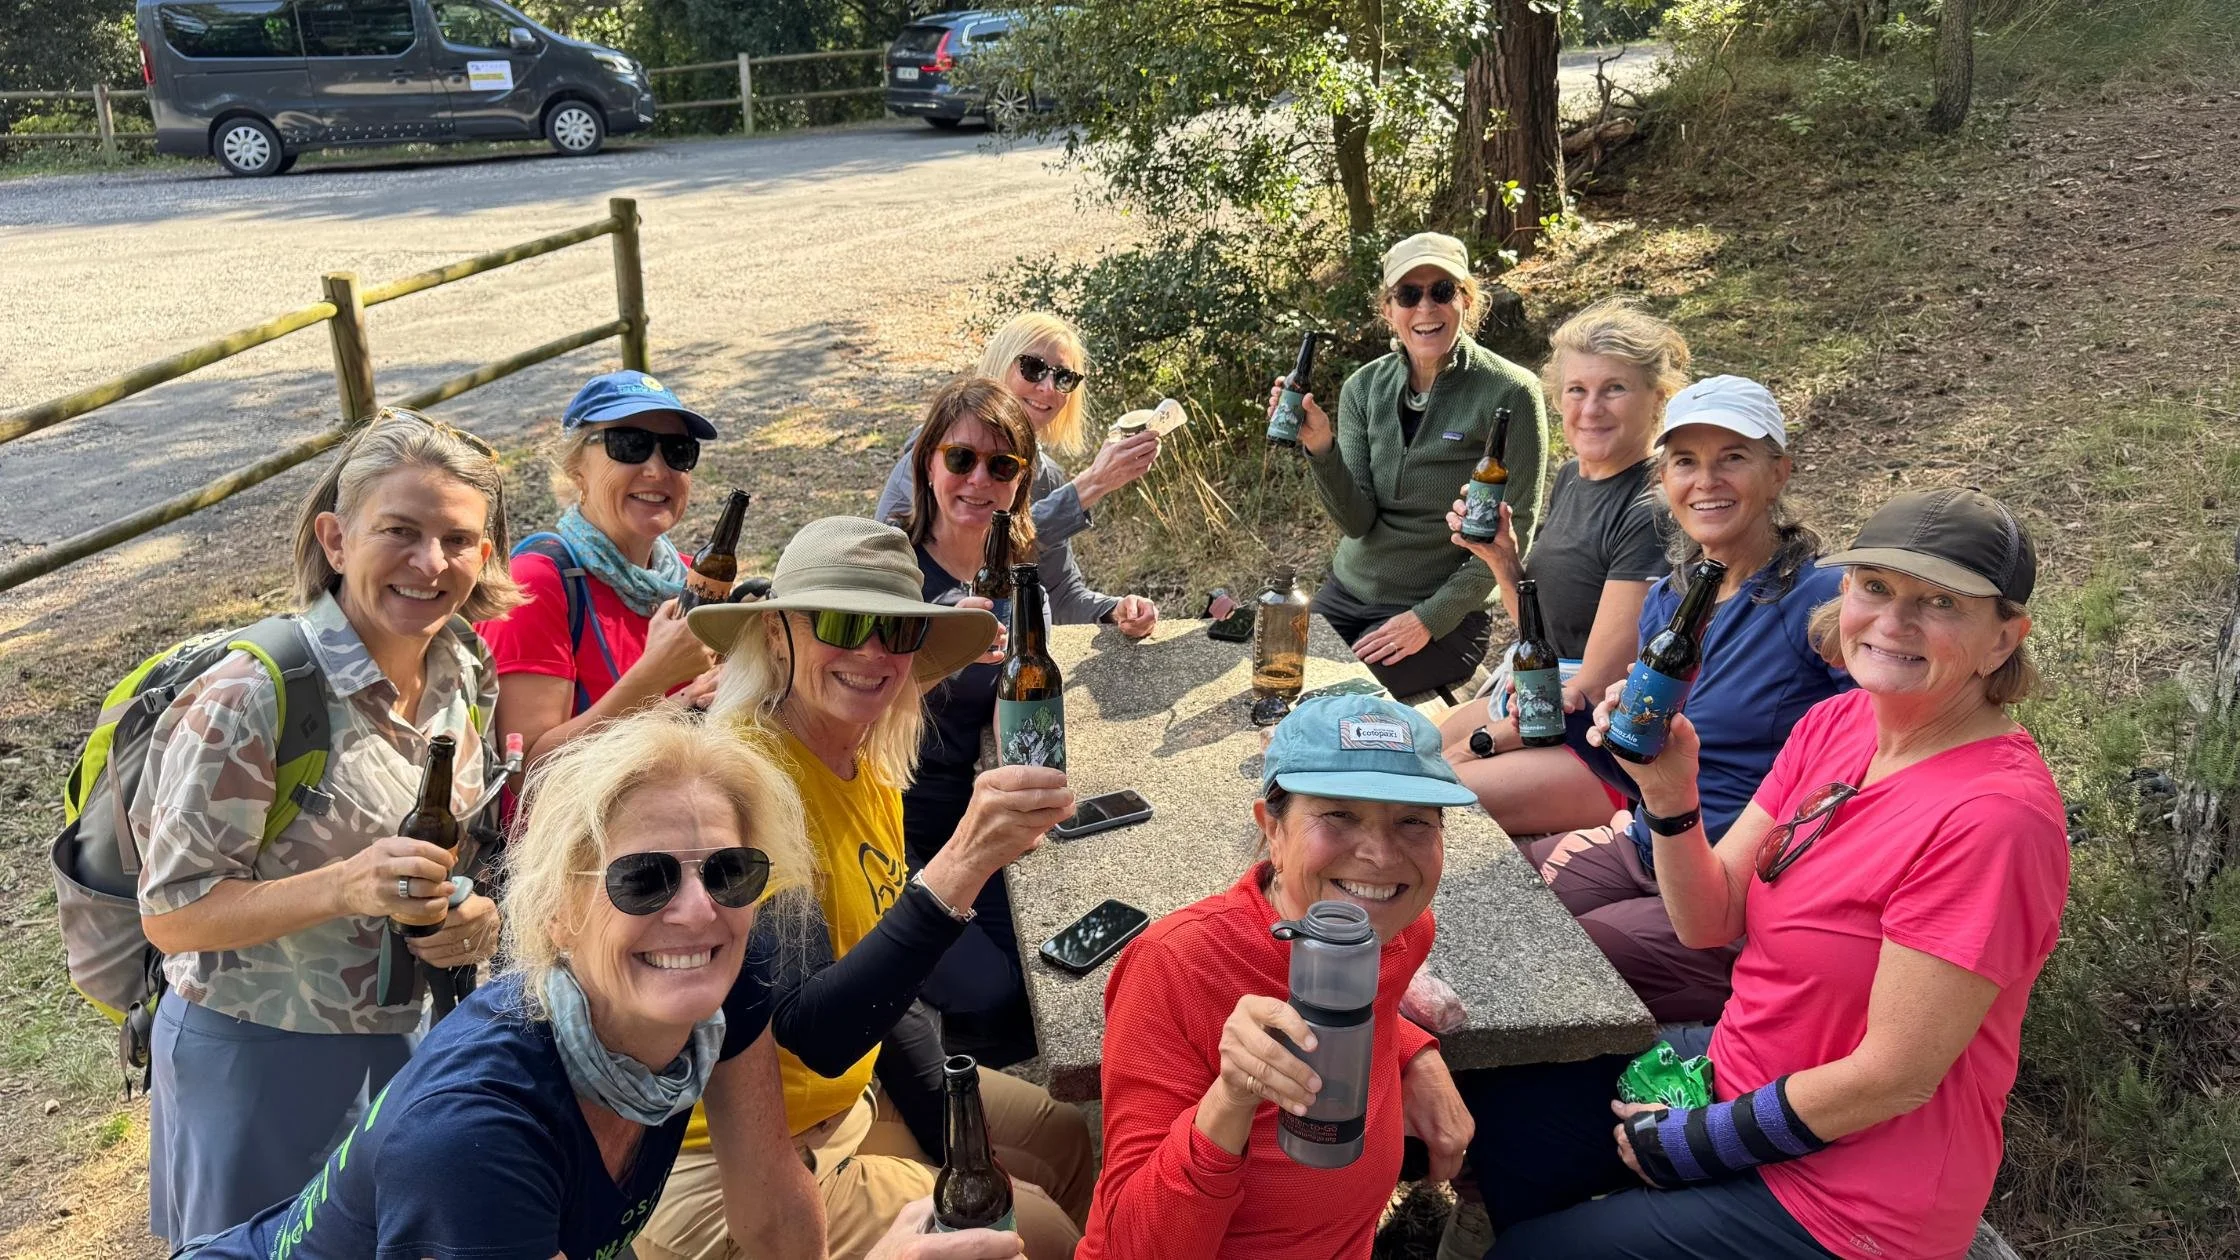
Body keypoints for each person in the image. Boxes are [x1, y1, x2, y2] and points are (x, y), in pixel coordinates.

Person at [1460, 487, 2068, 1260]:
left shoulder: (1993, 819)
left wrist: (1701, 1141)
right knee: (1511, 1104)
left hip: (1850, 1199)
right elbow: (1709, 920)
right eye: (1874, 586)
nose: (1892, 621)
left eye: (1940, 602)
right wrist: (1668, 793)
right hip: (1739, 1069)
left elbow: (1895, 1076)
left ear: (2004, 638)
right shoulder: (1840, 724)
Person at [168, 711, 848, 1258]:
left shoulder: (719, 972)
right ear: (557, 913)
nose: (701, 911)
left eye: (730, 872)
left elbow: (772, 1208)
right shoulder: (472, 1137)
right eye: (644, 879)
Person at [636, 515, 1095, 1260]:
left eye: (898, 630)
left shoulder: (866, 757)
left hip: (844, 1102)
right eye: (844, 623)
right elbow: (809, 1031)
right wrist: (963, 861)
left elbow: (889, 988)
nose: (873, 652)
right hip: (725, 1162)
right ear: (778, 633)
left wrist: (950, 1139)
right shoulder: (743, 787)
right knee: (1036, 1230)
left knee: (1066, 1138)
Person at [133, 408, 513, 1244]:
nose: (429, 563)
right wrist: (347, 885)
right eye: (400, 532)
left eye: (456, 540)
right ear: (336, 539)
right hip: (260, 1061)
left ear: (483, 554)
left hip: (406, 1041)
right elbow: (171, 915)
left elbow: (453, 851)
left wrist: (473, 917)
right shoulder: (254, 695)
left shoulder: (465, 669)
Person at [1079, 695, 1477, 1260]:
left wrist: (1416, 1053)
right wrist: (1230, 1098)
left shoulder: (1402, 929)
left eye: (1414, 821)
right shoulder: (1176, 965)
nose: (1382, 857)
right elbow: (1131, 1250)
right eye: (1339, 814)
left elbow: (1374, 1005)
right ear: (1273, 829)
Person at [1513, 376, 1853, 1023]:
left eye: (1733, 458)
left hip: (1735, 887)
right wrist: (1611, 725)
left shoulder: (1824, 603)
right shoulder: (1670, 599)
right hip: (1650, 839)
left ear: (1778, 473)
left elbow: (1871, 752)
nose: (1708, 481)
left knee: (1563, 953)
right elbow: (1652, 754)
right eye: (1687, 462)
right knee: (1490, 889)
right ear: (1664, 480)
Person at [900, 377, 1157, 1064]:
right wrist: (927, 658)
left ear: (1022, 480)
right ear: (927, 462)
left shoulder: (1018, 572)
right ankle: (935, 1085)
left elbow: (1028, 678)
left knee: (1063, 965)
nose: (979, 481)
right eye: (960, 459)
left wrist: (1114, 615)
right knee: (994, 994)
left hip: (979, 816)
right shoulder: (890, 573)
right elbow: (830, 717)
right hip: (894, 831)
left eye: (1002, 465)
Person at [1436, 299, 1685, 837]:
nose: (1590, 409)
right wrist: (1503, 559)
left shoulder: (1652, 509)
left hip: (1598, 748)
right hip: (1535, 702)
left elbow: (1588, 689)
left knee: (1426, 798)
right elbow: (1539, 637)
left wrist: (1480, 744)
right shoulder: (1574, 476)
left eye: (1614, 389)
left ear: (1657, 398)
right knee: (1397, 751)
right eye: (1577, 390)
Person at [1275, 232, 1548, 702]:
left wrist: (1430, 618)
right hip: (1347, 593)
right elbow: (1355, 522)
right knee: (1276, 678)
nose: (1426, 308)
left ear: (1466, 300)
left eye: (1442, 291)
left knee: (1337, 703)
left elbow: (1515, 529)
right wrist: (1321, 448)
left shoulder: (1511, 392)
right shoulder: (1364, 388)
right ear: (1388, 309)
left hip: (1443, 612)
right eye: (1408, 294)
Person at [477, 369, 721, 766]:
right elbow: (527, 774)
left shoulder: (693, 579)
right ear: (577, 468)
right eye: (629, 445)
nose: (658, 470)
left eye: (678, 450)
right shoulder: (538, 583)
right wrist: (653, 680)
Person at [873, 312, 1161, 622]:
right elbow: (900, 580)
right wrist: (1090, 486)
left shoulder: (1045, 473)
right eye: (1033, 368)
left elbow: (1060, 593)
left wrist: (1115, 610)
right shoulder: (938, 451)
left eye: (1064, 377)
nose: (1048, 387)